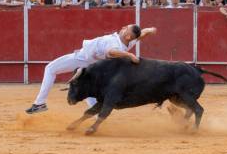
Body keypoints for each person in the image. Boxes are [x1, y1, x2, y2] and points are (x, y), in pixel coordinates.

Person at [25, 24, 157, 114]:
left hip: (83, 59)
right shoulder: (127, 41)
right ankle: (97, 112)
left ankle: (39, 103)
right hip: (94, 66)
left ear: (128, 36)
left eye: (126, 28)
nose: (123, 27)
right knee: (89, 93)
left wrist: (129, 55)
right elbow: (140, 34)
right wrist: (150, 30)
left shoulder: (116, 44)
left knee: (50, 68)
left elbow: (111, 52)